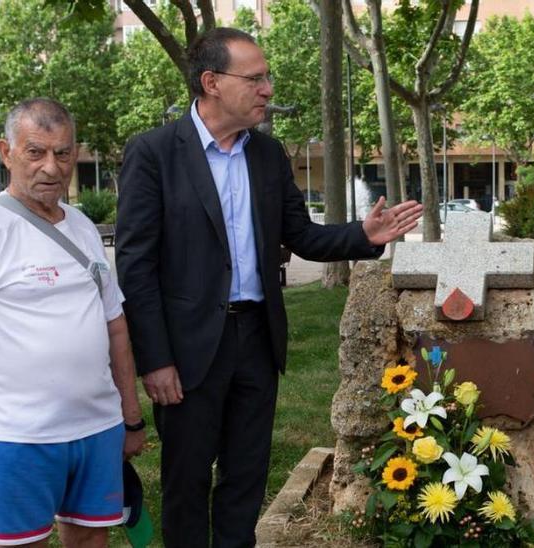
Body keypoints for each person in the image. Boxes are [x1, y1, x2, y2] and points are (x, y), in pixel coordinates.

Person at [115, 27, 422, 548]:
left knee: (245, 475)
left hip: (256, 340)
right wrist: (156, 359)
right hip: (188, 351)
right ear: (211, 82)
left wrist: (364, 235)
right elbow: (136, 266)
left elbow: (300, 235)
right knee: (186, 482)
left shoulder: (267, 154)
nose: (268, 89)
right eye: (255, 78)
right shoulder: (154, 153)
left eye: (267, 78)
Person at [0, 98, 146, 547]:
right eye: (35, 152)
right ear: (5, 152)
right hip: (15, 438)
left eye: (63, 154)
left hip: (97, 430)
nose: (52, 167)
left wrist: (130, 417)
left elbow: (115, 325)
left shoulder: (82, 226)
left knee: (90, 540)